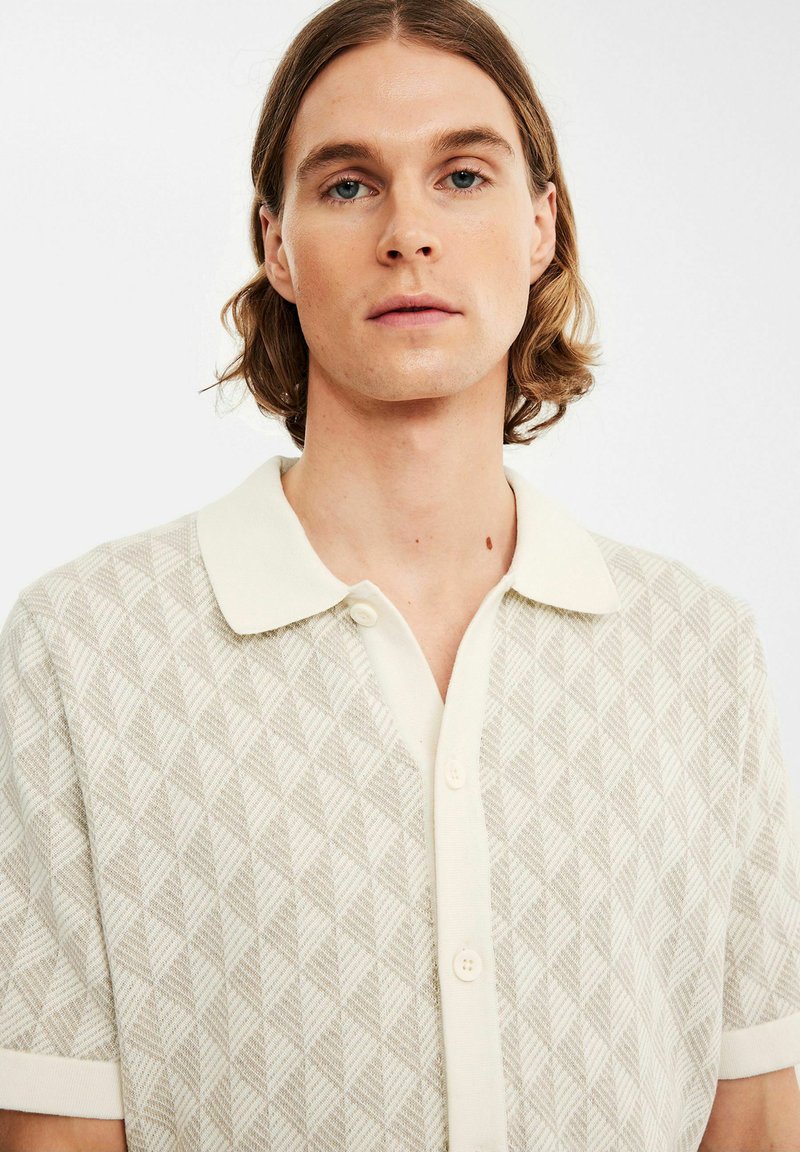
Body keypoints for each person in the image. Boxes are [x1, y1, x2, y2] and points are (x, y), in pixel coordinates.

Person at [2, 0, 800, 1149]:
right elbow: (54, 1133)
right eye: (347, 185)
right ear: (276, 245)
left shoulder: (695, 651)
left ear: (539, 223)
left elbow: (756, 1118)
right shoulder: (87, 653)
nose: (407, 232)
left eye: (462, 176)